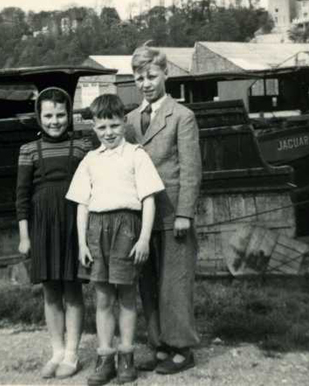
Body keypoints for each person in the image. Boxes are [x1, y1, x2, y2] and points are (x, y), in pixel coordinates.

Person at [66, 93, 163, 386]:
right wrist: (82, 243)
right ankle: (105, 357)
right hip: (97, 230)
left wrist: (143, 238)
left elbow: (148, 199)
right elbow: (82, 204)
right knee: (104, 297)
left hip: (127, 229)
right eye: (102, 127)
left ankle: (126, 356)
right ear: (94, 128)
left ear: (124, 123)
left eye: (114, 125)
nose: (108, 133)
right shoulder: (90, 160)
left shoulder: (136, 155)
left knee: (127, 296)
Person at [126, 43, 202, 375]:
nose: (145, 83)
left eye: (152, 76)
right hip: (141, 218)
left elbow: (191, 169)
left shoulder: (182, 117)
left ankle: (182, 348)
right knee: (148, 283)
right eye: (139, 78)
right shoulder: (129, 120)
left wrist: (185, 213)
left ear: (166, 74)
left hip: (172, 214)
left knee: (174, 283)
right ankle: (159, 346)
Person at [15, 87, 90, 379]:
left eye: (60, 115)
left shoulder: (82, 147)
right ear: (39, 117)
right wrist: (25, 237)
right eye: (48, 116)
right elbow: (21, 198)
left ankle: (71, 355)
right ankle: (57, 351)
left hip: (73, 225)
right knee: (50, 292)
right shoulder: (28, 151)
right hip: (42, 227)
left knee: (72, 291)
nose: (54, 121)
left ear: (69, 115)